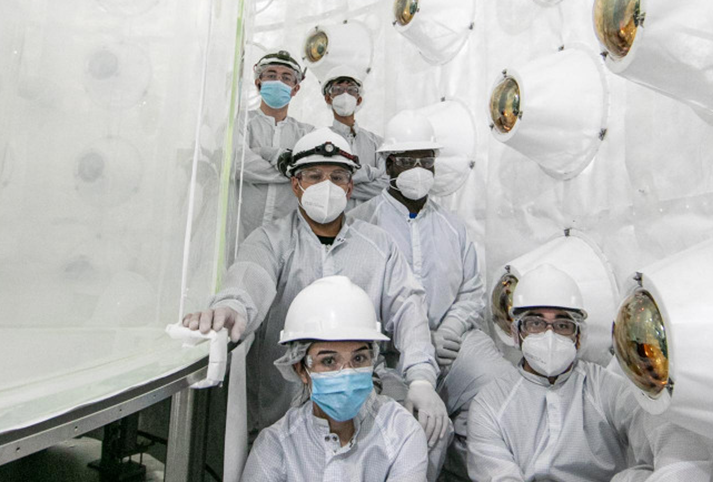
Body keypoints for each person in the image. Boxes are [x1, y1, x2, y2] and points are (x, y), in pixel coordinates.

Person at [182, 127, 449, 449]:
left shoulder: (378, 245)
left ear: (350, 187)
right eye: (314, 176)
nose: (327, 186)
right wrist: (232, 306)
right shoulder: (271, 240)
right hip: (282, 405)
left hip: (364, 400)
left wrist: (421, 378)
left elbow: (408, 307)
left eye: (337, 177)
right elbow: (250, 276)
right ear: (296, 185)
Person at [467, 265, 713, 482]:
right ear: (517, 331)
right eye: (536, 323)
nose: (549, 335)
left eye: (562, 325)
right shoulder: (490, 405)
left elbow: (672, 437)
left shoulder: (605, 389)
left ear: (578, 336)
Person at [350, 109, 488, 479]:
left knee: (496, 390)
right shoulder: (362, 223)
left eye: (425, 160)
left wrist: (450, 331)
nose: (418, 169)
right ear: (387, 164)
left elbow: (472, 289)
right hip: (387, 357)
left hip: (447, 347)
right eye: (407, 160)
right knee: (415, 429)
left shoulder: (452, 227)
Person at [242, 275, 428, 481]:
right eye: (329, 361)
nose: (346, 373)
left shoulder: (400, 432)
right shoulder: (276, 446)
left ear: (372, 358)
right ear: (301, 370)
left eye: (358, 358)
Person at [233, 50, 313, 241]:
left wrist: (261, 153)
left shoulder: (306, 133)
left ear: (295, 89)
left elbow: (310, 175)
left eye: (286, 77)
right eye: (271, 75)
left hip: (286, 238)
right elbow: (238, 163)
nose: (278, 81)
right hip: (239, 234)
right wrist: (286, 167)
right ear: (258, 83)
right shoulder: (240, 121)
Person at [322, 67, 387, 208]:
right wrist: (370, 173)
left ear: (359, 99)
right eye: (338, 90)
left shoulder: (377, 143)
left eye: (351, 90)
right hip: (331, 223)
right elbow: (321, 184)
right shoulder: (320, 139)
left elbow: (386, 187)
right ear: (328, 98)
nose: (345, 95)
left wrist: (341, 185)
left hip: (370, 222)